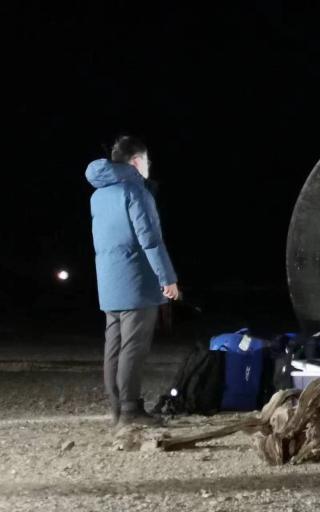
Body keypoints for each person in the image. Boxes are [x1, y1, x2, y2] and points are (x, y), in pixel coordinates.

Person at [86, 135, 180, 426]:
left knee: (113, 347)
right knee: (133, 348)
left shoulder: (98, 195)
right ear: (137, 161)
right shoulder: (136, 192)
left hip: (109, 282)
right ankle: (131, 410)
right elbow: (150, 240)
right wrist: (168, 278)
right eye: (147, 161)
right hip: (137, 282)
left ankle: (117, 408)